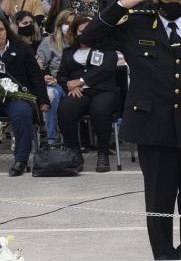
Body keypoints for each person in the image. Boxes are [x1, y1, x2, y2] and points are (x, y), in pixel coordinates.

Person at [79, 0, 181, 260]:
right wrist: (123, 3)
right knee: (158, 201)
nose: (175, 0)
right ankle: (163, 259)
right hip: (152, 126)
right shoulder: (134, 24)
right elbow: (90, 36)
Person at [56, 15, 121, 172]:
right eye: (82, 31)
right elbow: (61, 75)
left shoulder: (107, 47)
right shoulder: (68, 52)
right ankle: (75, 152)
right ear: (75, 32)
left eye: (90, 30)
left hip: (104, 90)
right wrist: (70, 86)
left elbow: (107, 68)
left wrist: (82, 80)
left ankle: (103, 153)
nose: (86, 34)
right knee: (65, 109)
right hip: (79, 93)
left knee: (100, 109)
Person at [0, 17, 50, 176]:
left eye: (1, 30)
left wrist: (43, 99)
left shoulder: (21, 48)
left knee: (22, 113)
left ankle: (21, 160)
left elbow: (35, 75)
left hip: (17, 97)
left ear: (7, 31)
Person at [38, 10, 73, 145]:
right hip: (55, 81)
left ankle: (78, 139)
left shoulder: (80, 41)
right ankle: (52, 139)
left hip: (75, 81)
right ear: (59, 24)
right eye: (66, 23)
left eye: (72, 24)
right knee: (50, 94)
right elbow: (38, 64)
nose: (69, 26)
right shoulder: (48, 41)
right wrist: (46, 77)